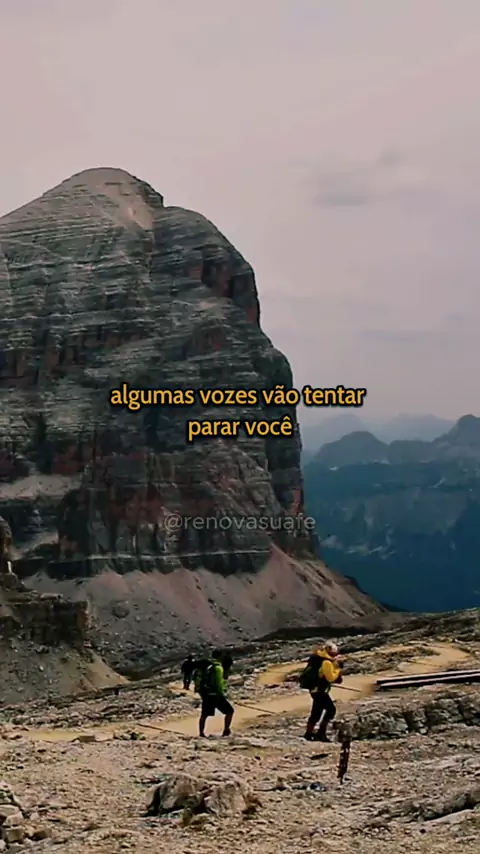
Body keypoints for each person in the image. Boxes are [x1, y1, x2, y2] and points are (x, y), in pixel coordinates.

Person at [300, 641, 343, 742]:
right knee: (331, 710)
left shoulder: (319, 659)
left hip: (315, 690)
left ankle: (309, 733)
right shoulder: (326, 662)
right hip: (320, 690)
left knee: (317, 711)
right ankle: (321, 733)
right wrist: (337, 669)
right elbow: (330, 678)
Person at [194, 649, 234, 738]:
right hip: (216, 694)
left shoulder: (207, 666)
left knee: (204, 714)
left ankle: (201, 733)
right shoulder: (218, 667)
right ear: (220, 656)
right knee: (230, 711)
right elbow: (219, 683)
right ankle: (226, 730)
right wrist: (222, 693)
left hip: (206, 694)